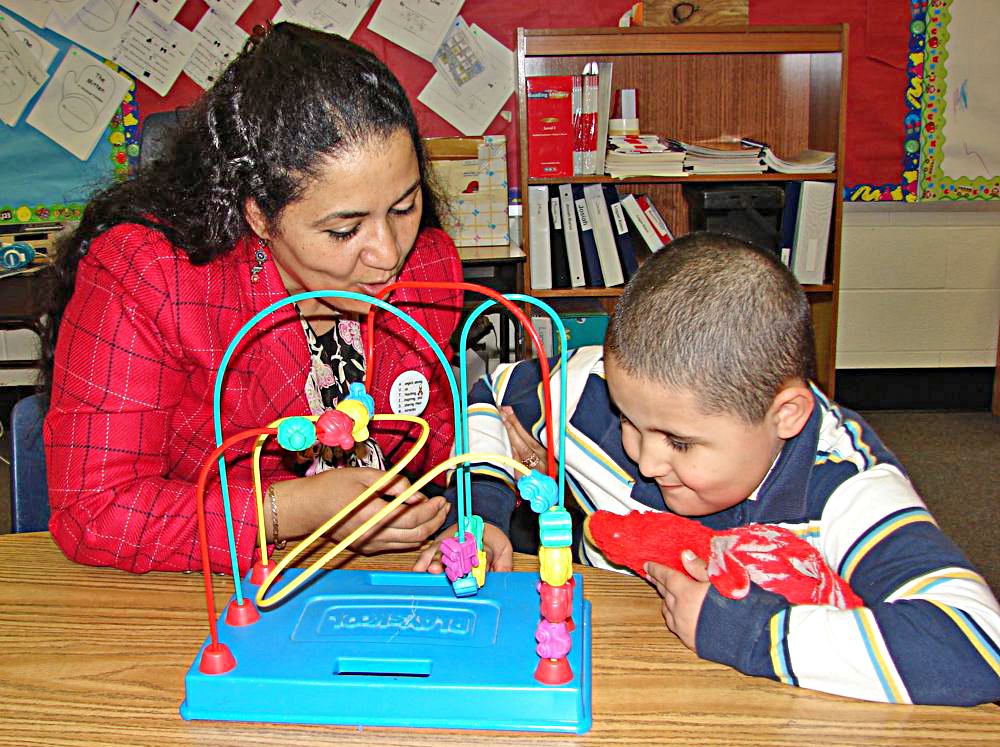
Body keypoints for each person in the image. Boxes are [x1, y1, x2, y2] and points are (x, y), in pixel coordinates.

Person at [415, 232, 1000, 706]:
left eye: (679, 442)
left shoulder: (844, 486)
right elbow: (486, 393)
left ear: (786, 416)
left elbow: (978, 645)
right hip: (614, 673)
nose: (644, 458)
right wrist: (484, 510)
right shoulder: (596, 390)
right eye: (628, 420)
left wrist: (742, 631)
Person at [43, 23, 462, 574]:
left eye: (404, 208)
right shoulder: (150, 276)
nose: (387, 254)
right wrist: (295, 510)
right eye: (344, 231)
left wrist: (458, 527)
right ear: (259, 214)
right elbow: (94, 512)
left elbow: (433, 447)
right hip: (192, 600)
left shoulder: (429, 269)